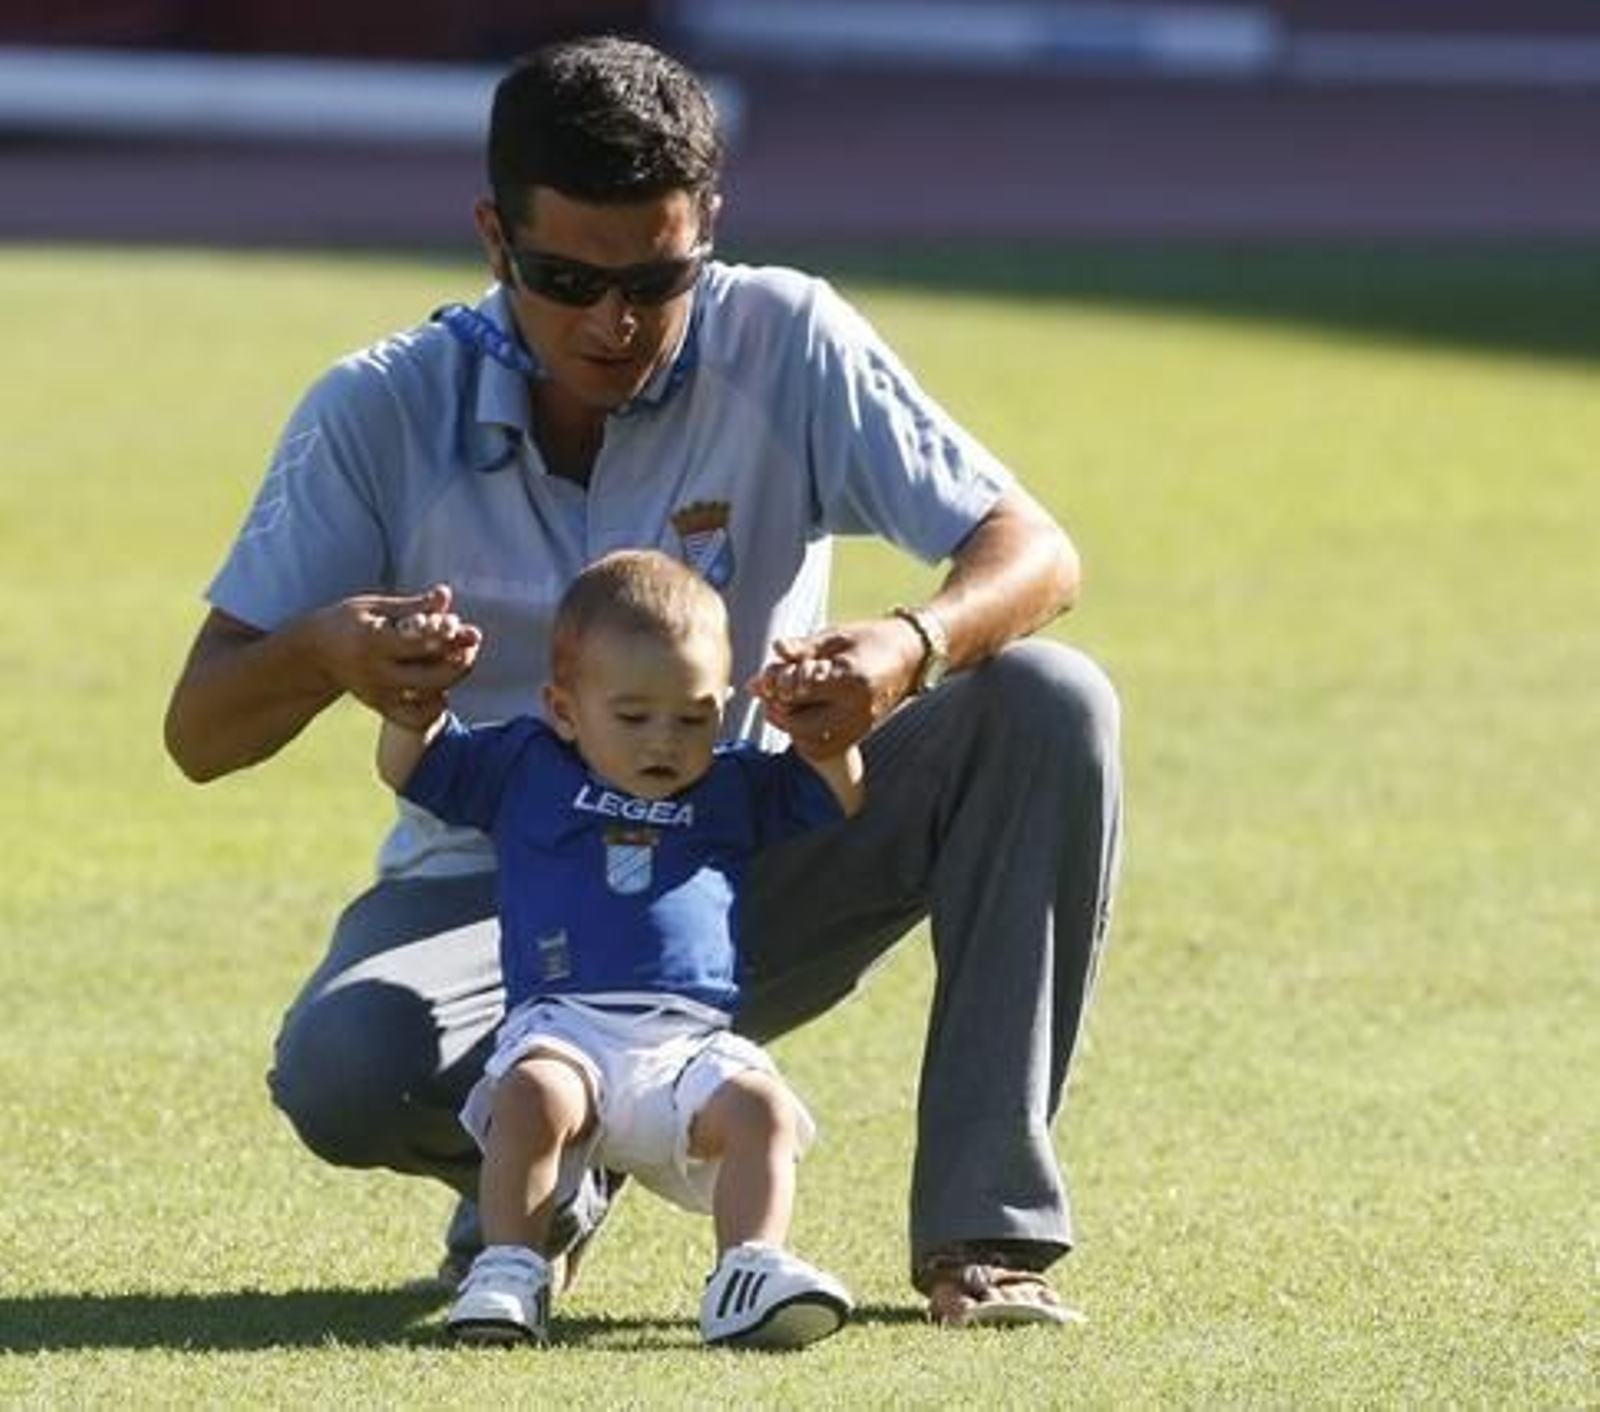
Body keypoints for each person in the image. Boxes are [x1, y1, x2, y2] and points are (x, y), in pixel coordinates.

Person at [163, 33, 1122, 1328]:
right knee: (349, 1068)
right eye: (567, 280)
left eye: (658, 278)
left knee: (1048, 704)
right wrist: (325, 649)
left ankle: (981, 1240)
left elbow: (1034, 549)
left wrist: (907, 644)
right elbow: (201, 731)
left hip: (737, 857)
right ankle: (552, 1168)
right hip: (488, 900)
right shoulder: (379, 410)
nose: (615, 321)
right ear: (495, 240)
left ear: (708, 230)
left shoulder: (788, 339)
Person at [377, 550, 861, 1347]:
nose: (665, 740)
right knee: (530, 1099)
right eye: (633, 717)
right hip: (565, 1024)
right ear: (564, 709)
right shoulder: (527, 766)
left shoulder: (733, 785)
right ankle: (509, 1270)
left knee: (764, 1110)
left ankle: (750, 1270)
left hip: (689, 1040)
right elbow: (414, 764)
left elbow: (837, 793)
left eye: (695, 717)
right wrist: (414, 703)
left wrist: (823, 730)